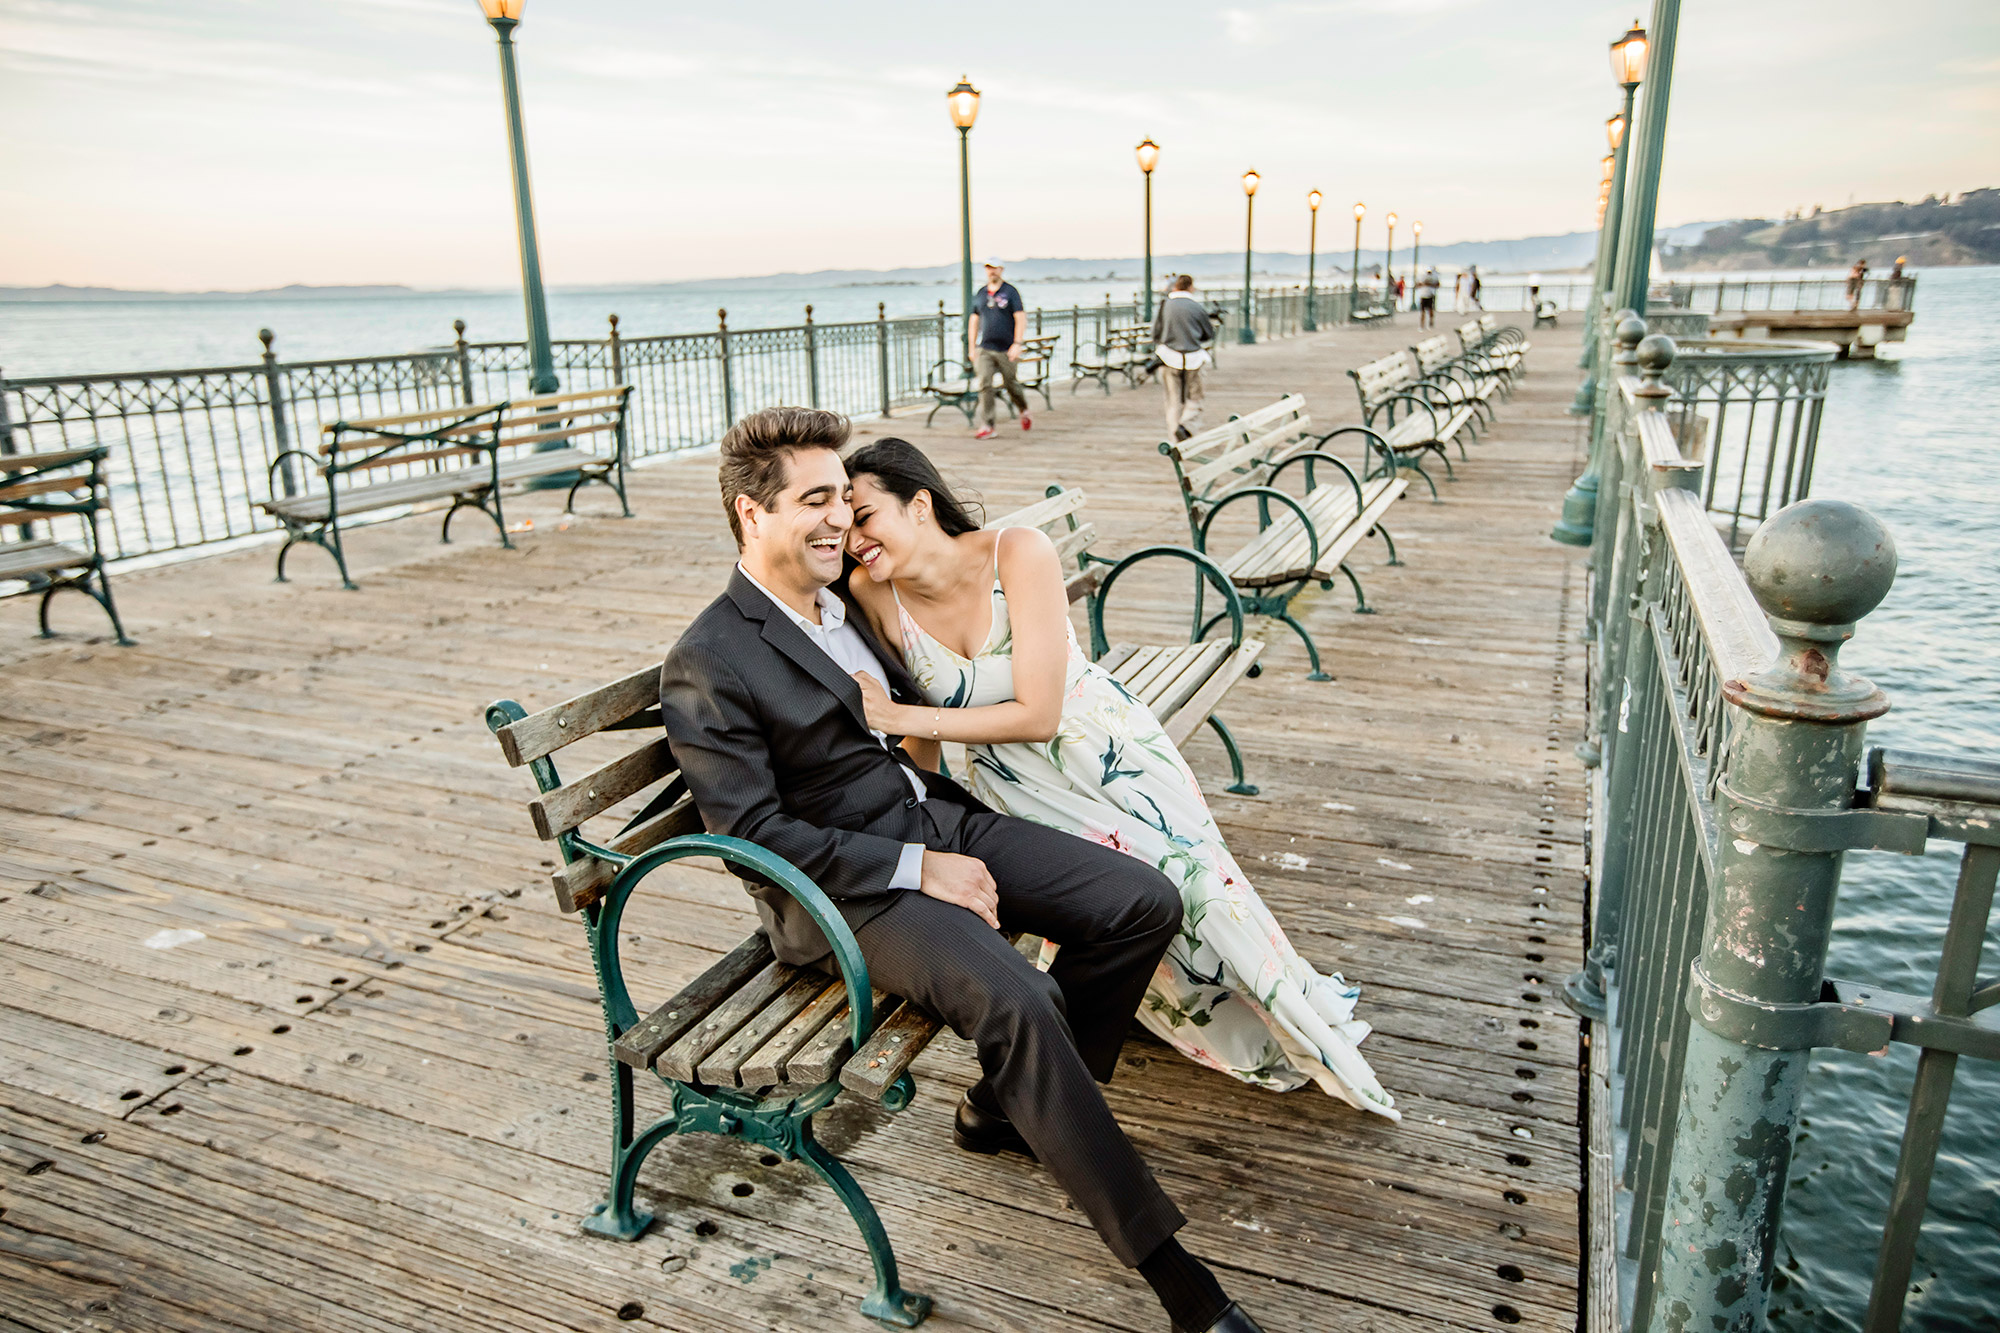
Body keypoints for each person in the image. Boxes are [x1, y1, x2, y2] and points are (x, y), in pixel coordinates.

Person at [660, 407, 1269, 1333]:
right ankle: (1183, 1286)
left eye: (846, 500)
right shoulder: (709, 658)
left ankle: (1003, 1103)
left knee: (1142, 899)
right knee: (1020, 998)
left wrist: (943, 833)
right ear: (752, 514)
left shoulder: (842, 599)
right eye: (816, 500)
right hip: (843, 897)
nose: (839, 520)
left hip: (935, 823)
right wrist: (915, 866)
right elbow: (755, 834)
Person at [843, 437, 1399, 1120]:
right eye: (844, 527)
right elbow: (915, 734)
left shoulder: (1016, 551)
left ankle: (1279, 1020)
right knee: (1135, 897)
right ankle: (1151, 1014)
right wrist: (923, 829)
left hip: (1105, 749)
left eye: (864, 516)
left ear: (919, 503)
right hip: (1010, 786)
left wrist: (902, 714)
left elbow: (1039, 712)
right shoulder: (872, 593)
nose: (854, 539)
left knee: (1197, 883)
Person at [968, 258, 1030, 440]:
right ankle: (988, 424)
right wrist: (972, 347)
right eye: (988, 268)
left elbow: (1020, 317)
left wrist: (1017, 344)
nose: (991, 272)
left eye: (995, 268)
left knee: (1011, 384)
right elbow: (974, 320)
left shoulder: (1010, 292)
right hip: (985, 348)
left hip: (1006, 348)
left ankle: (1023, 409)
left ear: (1001, 270)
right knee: (984, 384)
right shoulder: (980, 293)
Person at [1150, 274, 1215, 442]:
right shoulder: (1197, 307)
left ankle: (1174, 439)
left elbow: (1155, 333)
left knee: (1172, 401)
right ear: (1191, 287)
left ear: (1175, 286)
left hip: (1169, 357)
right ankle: (1186, 426)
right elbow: (1208, 333)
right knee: (1195, 398)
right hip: (1193, 358)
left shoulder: (1165, 305)